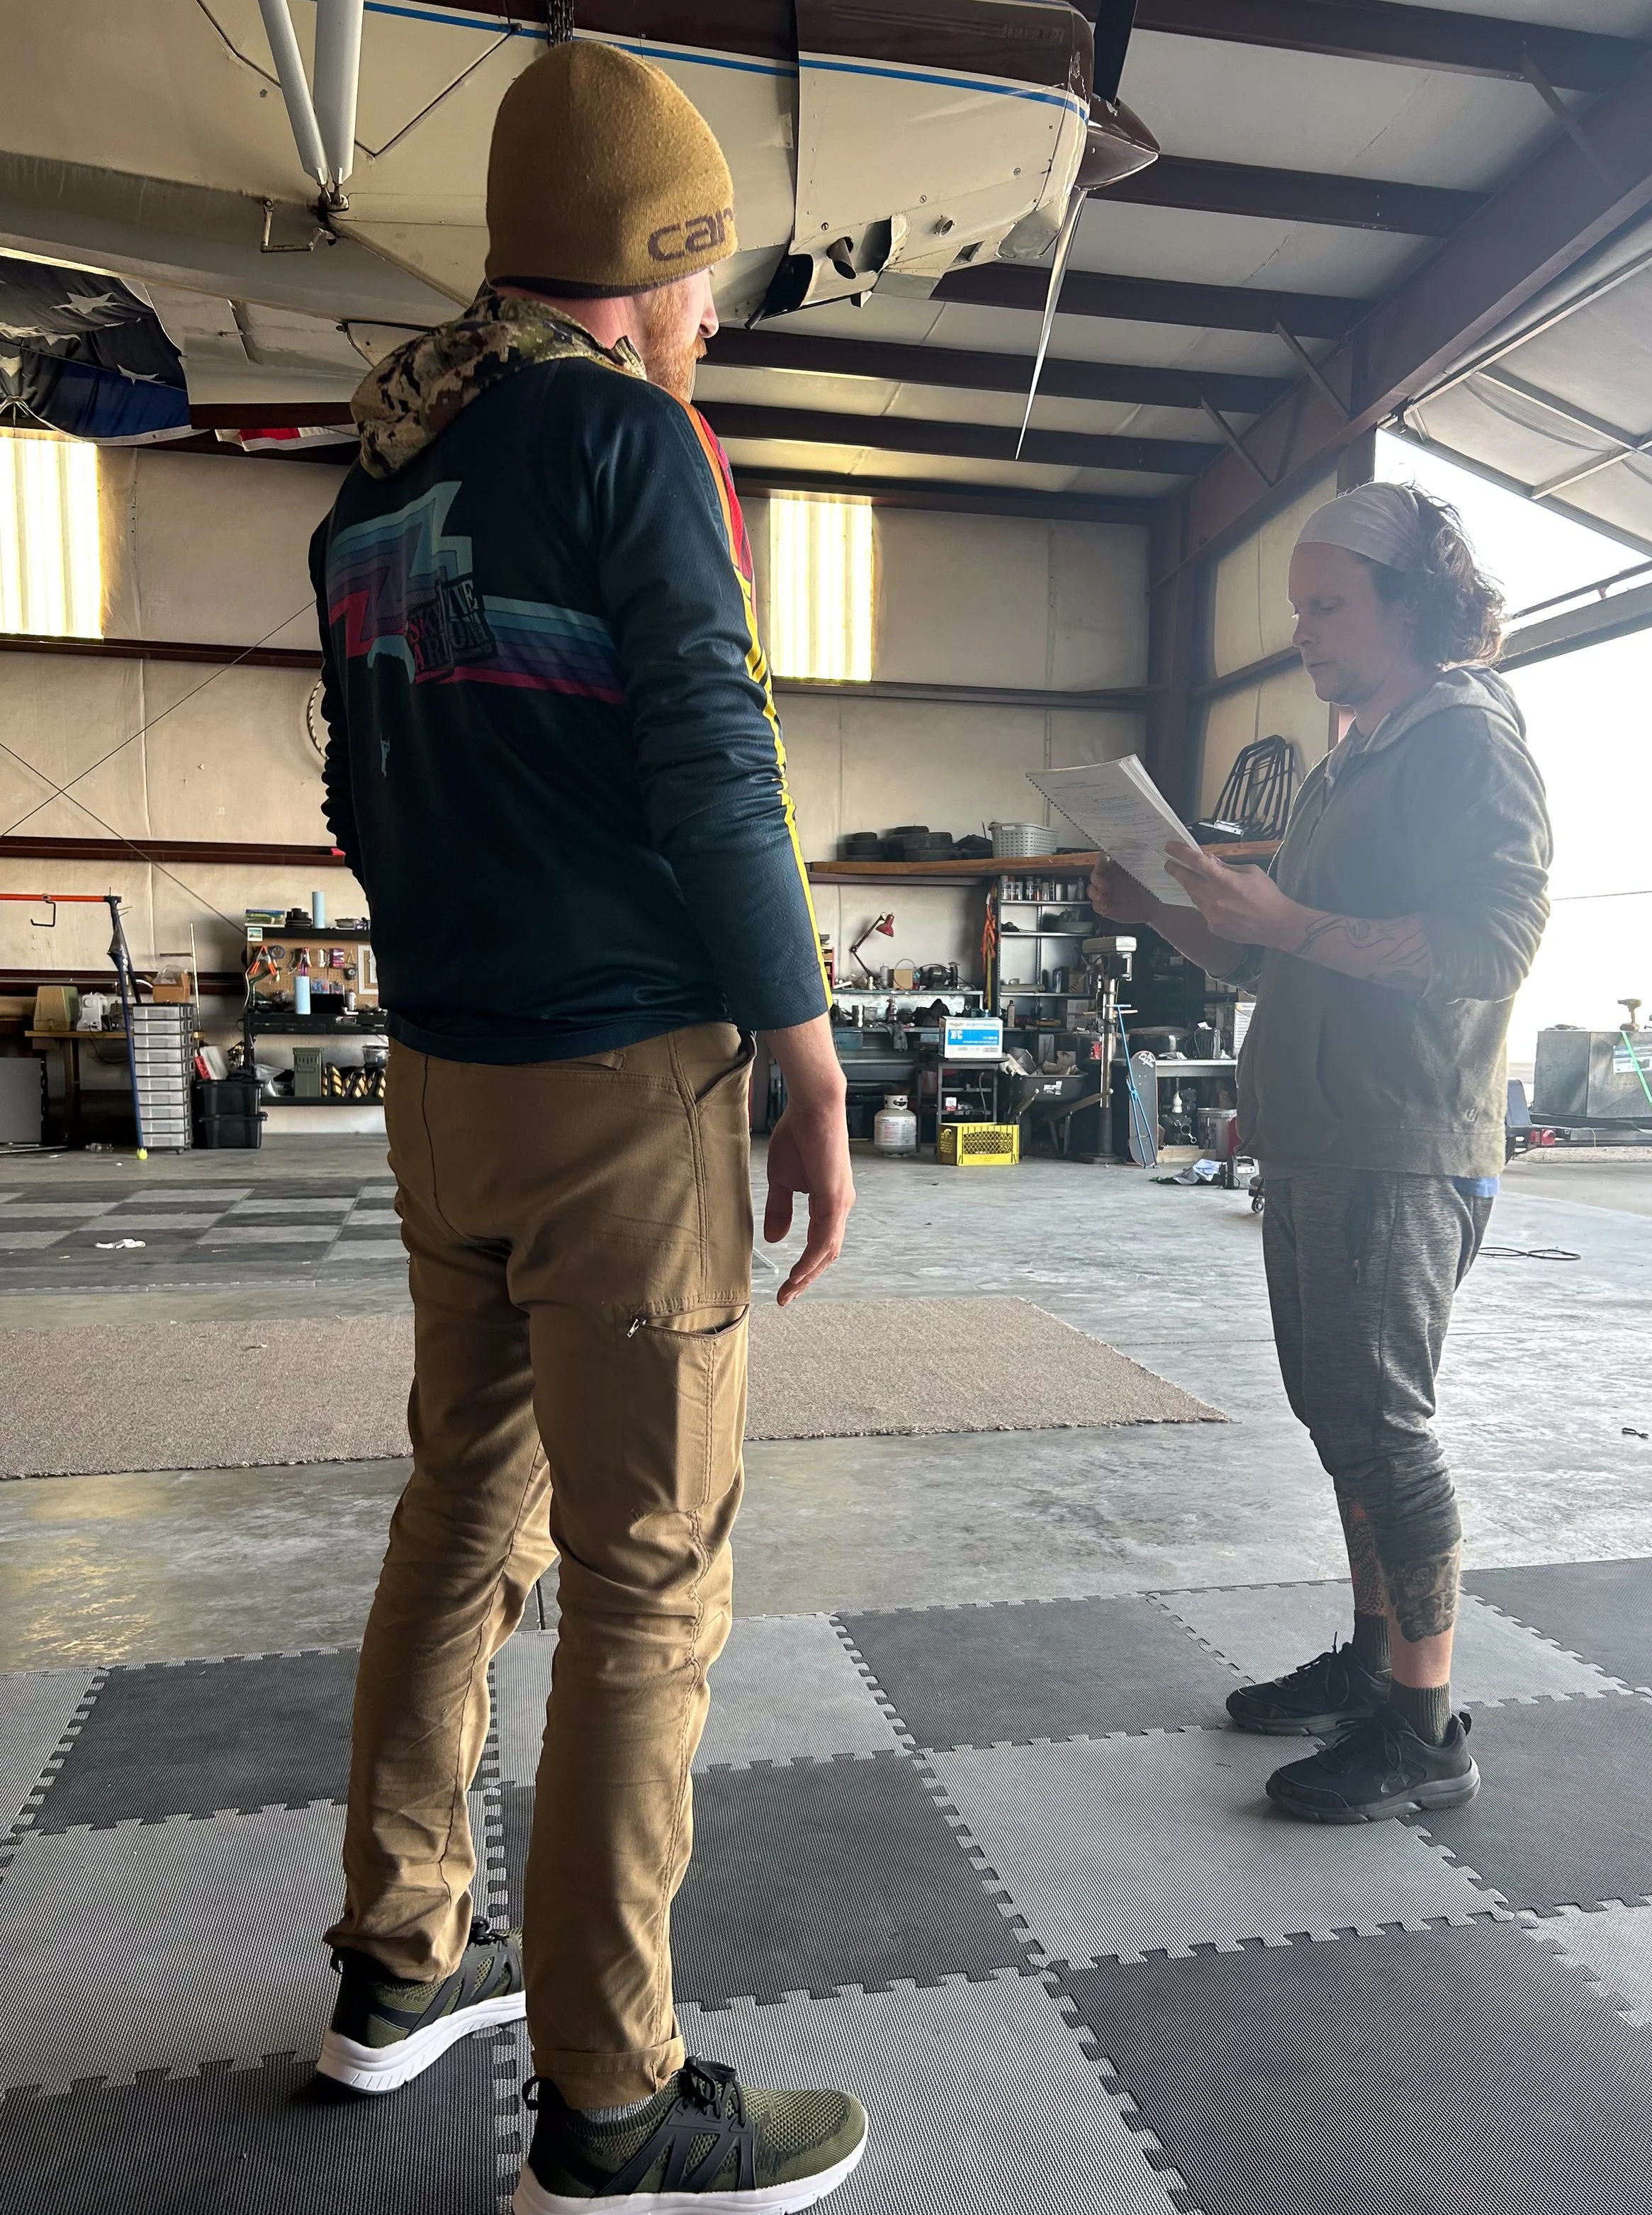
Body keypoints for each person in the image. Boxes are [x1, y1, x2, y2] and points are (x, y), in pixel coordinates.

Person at [306, 41, 867, 2211]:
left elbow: (362, 797)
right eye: (710, 267)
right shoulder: (631, 439)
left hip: (439, 1085)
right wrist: (803, 1057)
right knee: (647, 1588)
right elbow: (717, 771)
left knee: (459, 1516)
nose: (715, 310)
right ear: (656, 271)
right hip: (624, 1089)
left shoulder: (379, 474)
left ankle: (389, 1969)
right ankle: (613, 2103)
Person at [1092, 481, 1551, 1824]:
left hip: (1397, 1141)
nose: (1302, 630)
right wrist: (1165, 912)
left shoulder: (1465, 739)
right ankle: (1371, 1666)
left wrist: (1282, 923)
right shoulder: (1361, 745)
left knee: (1386, 1430)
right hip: (1315, 1135)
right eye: (1297, 607)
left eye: (1327, 605)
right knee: (1341, 1417)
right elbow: (1261, 945)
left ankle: (1423, 1725)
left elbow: (1491, 946)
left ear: (1415, 604)